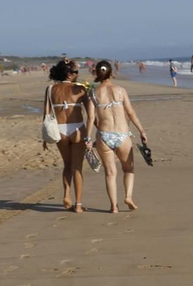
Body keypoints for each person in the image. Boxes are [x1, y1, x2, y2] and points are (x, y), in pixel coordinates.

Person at [89, 60, 148, 212]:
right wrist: (141, 130)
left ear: (97, 73)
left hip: (104, 135)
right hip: (122, 134)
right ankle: (128, 196)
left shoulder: (93, 93)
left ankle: (113, 206)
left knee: (110, 173)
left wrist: (87, 138)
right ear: (111, 73)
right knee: (128, 169)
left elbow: (90, 118)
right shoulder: (120, 90)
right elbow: (130, 112)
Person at [43, 60, 92, 212]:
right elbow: (91, 113)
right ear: (69, 74)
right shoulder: (80, 89)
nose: (78, 75)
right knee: (77, 167)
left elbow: (46, 114)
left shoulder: (50, 89)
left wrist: (44, 137)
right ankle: (78, 205)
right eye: (76, 72)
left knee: (67, 165)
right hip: (77, 128)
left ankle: (66, 195)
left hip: (59, 130)